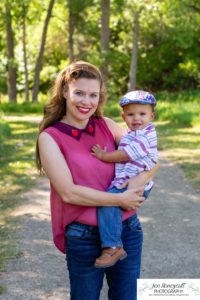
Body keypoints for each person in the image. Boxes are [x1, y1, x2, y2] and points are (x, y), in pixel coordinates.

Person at [36, 61, 158, 300]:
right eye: (79, 93)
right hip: (84, 235)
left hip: (127, 229)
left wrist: (135, 186)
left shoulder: (107, 125)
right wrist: (119, 198)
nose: (86, 102)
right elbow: (69, 193)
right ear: (64, 92)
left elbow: (151, 159)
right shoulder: (50, 137)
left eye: (93, 95)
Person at [91, 90, 158, 268]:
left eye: (142, 114)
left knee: (107, 202)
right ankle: (114, 242)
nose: (137, 118)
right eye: (130, 114)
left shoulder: (146, 135)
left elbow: (124, 154)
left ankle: (113, 246)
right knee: (112, 203)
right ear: (123, 116)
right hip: (130, 179)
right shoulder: (131, 133)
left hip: (136, 182)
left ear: (152, 115)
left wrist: (103, 155)